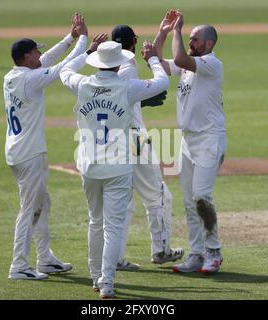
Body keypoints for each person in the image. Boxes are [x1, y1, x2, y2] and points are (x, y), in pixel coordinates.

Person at [60, 37, 169, 298]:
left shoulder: (83, 83)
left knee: (95, 222)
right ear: (119, 63)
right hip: (118, 167)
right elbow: (163, 81)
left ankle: (94, 276)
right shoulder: (127, 87)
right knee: (113, 227)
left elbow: (64, 70)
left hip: (89, 166)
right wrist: (153, 57)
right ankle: (106, 281)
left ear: (97, 62)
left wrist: (87, 50)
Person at [3, 13, 88, 280]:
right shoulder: (30, 80)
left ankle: (45, 258)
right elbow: (63, 67)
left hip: (19, 152)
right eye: (35, 52)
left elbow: (49, 60)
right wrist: (86, 43)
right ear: (27, 57)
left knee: (42, 203)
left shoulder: (13, 76)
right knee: (29, 209)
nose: (39, 54)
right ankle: (19, 265)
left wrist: (70, 37)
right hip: (29, 154)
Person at [154, 10, 226, 273]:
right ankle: (196, 254)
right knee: (188, 200)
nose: (191, 42)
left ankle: (214, 252)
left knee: (201, 197)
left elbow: (180, 57)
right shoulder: (187, 68)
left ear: (208, 44)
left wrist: (177, 31)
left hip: (209, 139)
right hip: (188, 140)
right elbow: (160, 63)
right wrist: (162, 32)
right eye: (190, 38)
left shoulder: (210, 64)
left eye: (195, 39)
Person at [111, 25, 184, 271]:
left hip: (110, 143)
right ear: (133, 42)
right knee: (158, 195)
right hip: (134, 140)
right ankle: (161, 250)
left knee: (121, 201)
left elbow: (119, 99)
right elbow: (159, 82)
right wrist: (152, 58)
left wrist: (140, 100)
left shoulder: (105, 67)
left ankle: (114, 258)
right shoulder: (129, 65)